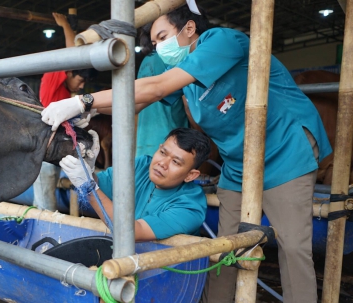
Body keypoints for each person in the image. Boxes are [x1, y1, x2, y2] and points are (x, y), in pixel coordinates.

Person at [41, 5, 332, 302]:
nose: (157, 47)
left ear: (189, 29)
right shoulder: (182, 77)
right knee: (224, 247)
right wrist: (88, 114)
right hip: (236, 162)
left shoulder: (222, 41)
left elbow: (155, 88)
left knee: (293, 246)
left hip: (284, 149)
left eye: (162, 37)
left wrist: (83, 101)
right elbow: (135, 102)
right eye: (153, 44)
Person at [61, 128, 210, 240]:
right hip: (130, 260)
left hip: (168, 274)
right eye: (163, 153)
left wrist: (88, 186)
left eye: (176, 162)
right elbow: (102, 184)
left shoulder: (190, 206)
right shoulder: (142, 166)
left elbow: (131, 232)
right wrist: (88, 168)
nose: (162, 163)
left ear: (191, 175)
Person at [33, 12, 96, 211]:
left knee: (45, 197)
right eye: (80, 80)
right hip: (45, 145)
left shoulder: (66, 92)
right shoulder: (53, 78)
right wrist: (66, 26)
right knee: (45, 202)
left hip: (55, 147)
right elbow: (73, 54)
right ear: (68, 72)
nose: (81, 86)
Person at [136, 23, 189, 157]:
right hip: (171, 144)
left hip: (143, 143)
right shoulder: (173, 56)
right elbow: (187, 103)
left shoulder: (144, 62)